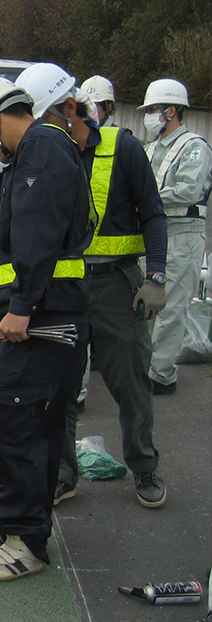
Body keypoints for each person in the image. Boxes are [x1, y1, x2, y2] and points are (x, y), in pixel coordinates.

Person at [0, 75, 92, 581]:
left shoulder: (39, 152)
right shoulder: (29, 157)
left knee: (21, 423)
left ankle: (25, 543)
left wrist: (24, 307)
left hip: (45, 318)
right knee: (32, 423)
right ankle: (17, 521)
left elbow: (37, 235)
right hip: (48, 314)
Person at [17, 63, 168, 509]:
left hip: (116, 286)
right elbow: (10, 216)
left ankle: (143, 466)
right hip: (64, 287)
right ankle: (65, 474)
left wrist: (156, 275)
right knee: (63, 387)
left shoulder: (124, 148)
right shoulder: (48, 152)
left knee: (131, 383)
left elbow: (154, 213)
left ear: (70, 108)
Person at [139, 79, 212, 395]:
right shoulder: (149, 148)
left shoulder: (195, 146)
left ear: (171, 111)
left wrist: (146, 196)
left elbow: (189, 190)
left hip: (184, 233)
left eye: (154, 109)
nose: (150, 116)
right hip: (153, 230)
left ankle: (161, 375)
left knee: (172, 305)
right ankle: (144, 367)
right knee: (144, 300)